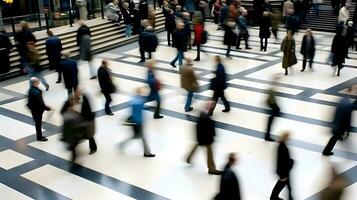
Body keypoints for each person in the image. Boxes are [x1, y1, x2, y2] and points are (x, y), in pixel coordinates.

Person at [186, 101, 223, 175]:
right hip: (206, 138)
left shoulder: (203, 113)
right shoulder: (205, 116)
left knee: (197, 146)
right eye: (212, 106)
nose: (212, 107)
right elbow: (207, 128)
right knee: (209, 153)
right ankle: (211, 169)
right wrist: (212, 136)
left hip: (202, 137)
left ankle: (188, 158)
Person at [61, 89, 97, 162]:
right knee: (75, 138)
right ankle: (74, 155)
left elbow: (87, 113)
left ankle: (93, 147)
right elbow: (62, 112)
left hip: (84, 121)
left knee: (89, 135)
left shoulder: (84, 102)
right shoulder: (68, 103)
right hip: (74, 124)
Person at [120, 87, 156, 157]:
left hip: (137, 122)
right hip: (138, 122)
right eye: (141, 92)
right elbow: (140, 106)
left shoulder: (135, 100)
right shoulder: (138, 101)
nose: (142, 93)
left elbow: (138, 108)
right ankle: (147, 152)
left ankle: (122, 144)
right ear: (139, 93)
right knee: (142, 137)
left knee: (136, 136)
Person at [270, 131, 294, 200]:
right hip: (284, 171)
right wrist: (291, 162)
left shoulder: (280, 145)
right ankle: (273, 197)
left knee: (283, 184)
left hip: (282, 170)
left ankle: (274, 197)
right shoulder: (283, 147)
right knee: (283, 184)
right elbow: (283, 161)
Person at [27, 77, 51, 141]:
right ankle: (39, 137)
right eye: (37, 81)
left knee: (38, 123)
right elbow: (40, 103)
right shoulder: (36, 92)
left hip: (34, 109)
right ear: (34, 82)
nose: (39, 82)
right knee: (38, 124)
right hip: (37, 110)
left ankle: (39, 136)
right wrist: (46, 108)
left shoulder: (31, 90)